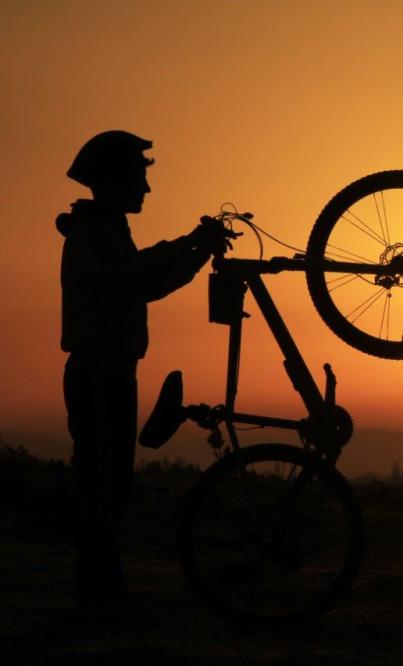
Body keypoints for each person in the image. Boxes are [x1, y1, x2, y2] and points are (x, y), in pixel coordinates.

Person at [58, 130, 229, 605]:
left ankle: (102, 594)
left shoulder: (107, 228)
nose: (146, 189)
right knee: (102, 486)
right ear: (114, 179)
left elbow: (143, 285)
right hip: (99, 371)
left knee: (109, 486)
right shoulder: (94, 230)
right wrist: (190, 243)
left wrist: (194, 254)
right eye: (139, 177)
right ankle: (100, 598)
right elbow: (128, 279)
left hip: (110, 369)